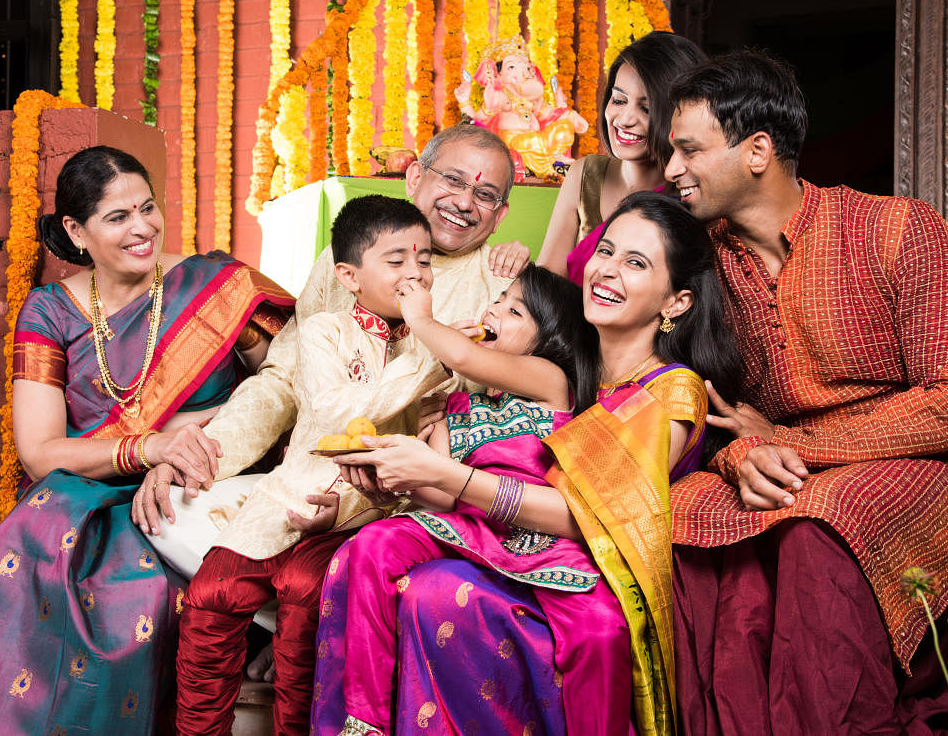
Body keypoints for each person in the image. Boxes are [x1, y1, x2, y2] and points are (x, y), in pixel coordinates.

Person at [662, 51, 948, 733]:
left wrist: (789, 442)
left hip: (931, 460)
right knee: (685, 515)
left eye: (689, 149)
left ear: (757, 151)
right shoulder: (703, 263)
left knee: (822, 526)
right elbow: (696, 400)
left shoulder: (897, 228)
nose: (671, 170)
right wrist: (738, 454)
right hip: (785, 465)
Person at [131, 124, 528, 733]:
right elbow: (285, 379)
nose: (464, 201)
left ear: (500, 215)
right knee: (184, 519)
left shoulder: (504, 284)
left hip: (415, 495)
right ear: (416, 177)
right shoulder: (344, 261)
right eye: (452, 179)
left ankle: (301, 639)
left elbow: (495, 417)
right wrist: (208, 451)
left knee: (310, 580)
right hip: (310, 474)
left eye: (486, 195)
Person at [314, 193, 742, 735]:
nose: (606, 271)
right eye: (606, 251)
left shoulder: (667, 391)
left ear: (676, 303)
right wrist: (397, 483)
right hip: (498, 544)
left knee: (489, 604)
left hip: (592, 573)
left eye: (635, 263)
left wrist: (447, 474)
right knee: (389, 562)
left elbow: (595, 516)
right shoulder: (573, 378)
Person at [0, 146, 293, 735]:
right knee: (27, 570)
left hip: (203, 488)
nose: (142, 229)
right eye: (117, 217)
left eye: (148, 208)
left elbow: (291, 384)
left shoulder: (217, 286)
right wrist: (149, 446)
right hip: (89, 498)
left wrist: (207, 432)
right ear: (75, 230)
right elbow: (40, 451)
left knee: (142, 589)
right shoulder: (51, 312)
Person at [172, 195, 450, 734]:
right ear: (348, 275)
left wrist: (431, 341)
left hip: (372, 507)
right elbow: (333, 412)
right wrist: (431, 360)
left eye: (425, 261)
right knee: (211, 595)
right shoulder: (326, 331)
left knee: (304, 589)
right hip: (291, 490)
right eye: (396, 261)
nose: (415, 274)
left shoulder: (436, 340)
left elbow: (429, 442)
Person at [537, 31, 705, 284]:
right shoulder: (586, 174)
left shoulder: (693, 193)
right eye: (618, 100)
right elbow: (546, 283)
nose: (625, 119)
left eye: (646, 108)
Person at [455, 35, 589, 179]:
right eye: (511, 67)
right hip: (514, 141)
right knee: (525, 142)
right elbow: (476, 122)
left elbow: (549, 113)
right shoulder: (499, 96)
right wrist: (464, 102)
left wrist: (571, 116)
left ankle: (556, 158)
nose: (522, 72)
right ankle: (549, 164)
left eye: (525, 67)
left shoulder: (532, 97)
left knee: (564, 128)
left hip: (538, 139)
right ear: (498, 75)